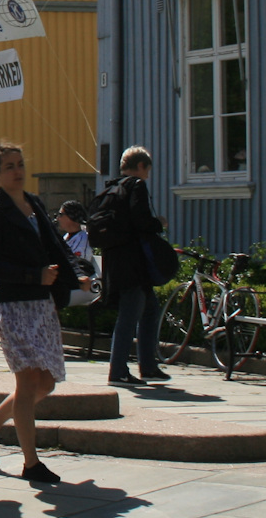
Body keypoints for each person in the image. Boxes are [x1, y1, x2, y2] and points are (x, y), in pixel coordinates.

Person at [0, 141, 90, 485]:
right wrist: (32, 276)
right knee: (26, 383)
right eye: (8, 166)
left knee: (46, 383)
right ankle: (31, 463)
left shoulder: (35, 203)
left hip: (42, 304)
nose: (17, 170)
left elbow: (57, 245)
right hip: (12, 305)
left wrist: (76, 275)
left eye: (20, 163)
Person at [98, 147, 169, 385]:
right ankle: (117, 371)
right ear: (140, 166)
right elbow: (141, 221)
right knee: (129, 316)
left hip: (116, 261)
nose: (148, 175)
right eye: (147, 170)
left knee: (149, 309)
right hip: (134, 264)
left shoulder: (111, 188)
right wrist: (158, 223)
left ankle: (148, 366)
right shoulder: (136, 186)